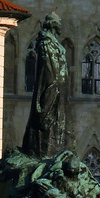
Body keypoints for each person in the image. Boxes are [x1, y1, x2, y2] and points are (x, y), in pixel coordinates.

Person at [21, 14, 73, 157]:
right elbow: (48, 69)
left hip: (60, 89)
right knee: (49, 128)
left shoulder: (53, 42)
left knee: (60, 126)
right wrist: (52, 88)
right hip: (53, 88)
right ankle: (46, 155)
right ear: (53, 24)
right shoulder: (46, 42)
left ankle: (56, 153)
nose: (61, 24)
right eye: (59, 22)